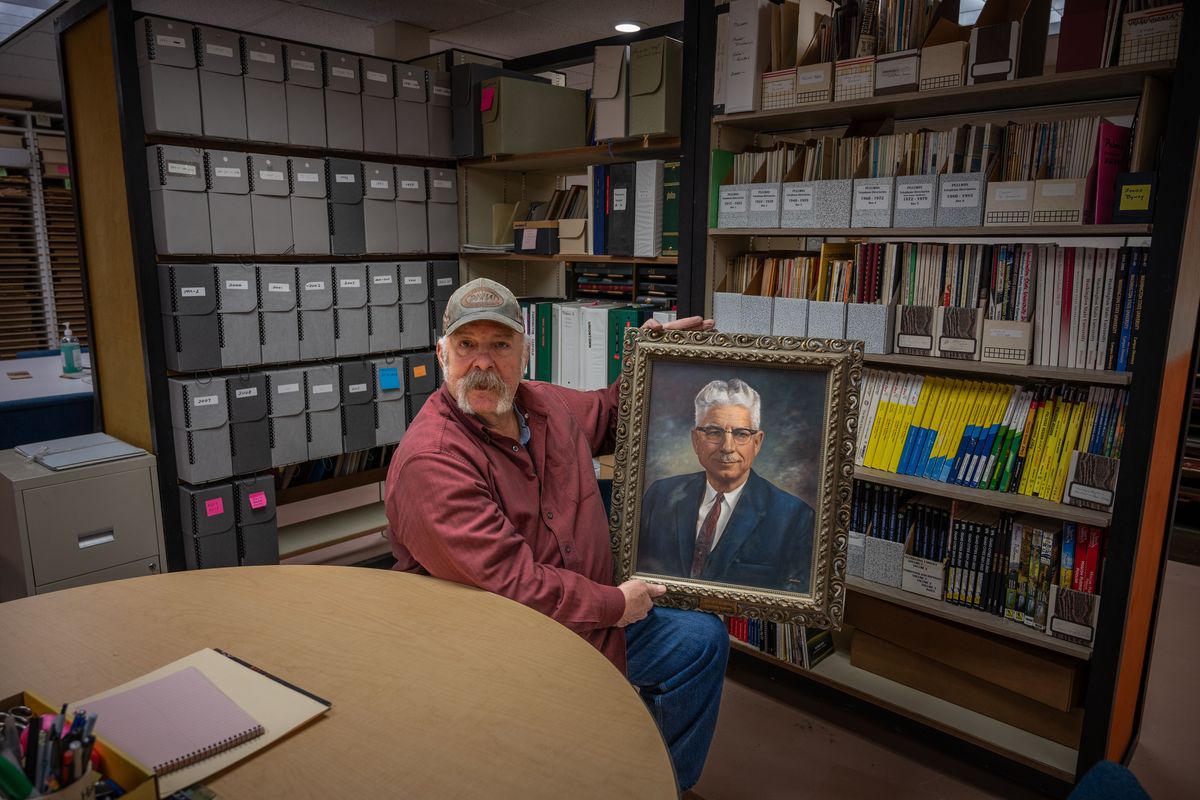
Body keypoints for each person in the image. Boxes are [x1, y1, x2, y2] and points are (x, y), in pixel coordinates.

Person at [385, 278, 728, 791]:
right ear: (441, 354)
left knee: (701, 641)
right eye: (466, 345)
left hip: (585, 616)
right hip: (508, 645)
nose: (482, 362)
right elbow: (513, 587)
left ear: (525, 351)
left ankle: (654, 785)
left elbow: (616, 413)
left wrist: (657, 358)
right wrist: (616, 605)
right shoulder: (432, 460)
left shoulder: (544, 405)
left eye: (499, 345)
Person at [637, 378, 815, 593]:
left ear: (757, 442)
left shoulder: (795, 518)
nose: (727, 447)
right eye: (714, 432)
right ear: (695, 440)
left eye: (741, 434)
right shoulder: (660, 495)